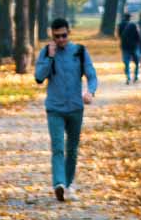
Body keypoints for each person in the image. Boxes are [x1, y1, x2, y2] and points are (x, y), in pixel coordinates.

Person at [34, 17, 97, 202]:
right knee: (58, 148)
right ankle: (59, 184)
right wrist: (50, 58)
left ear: (69, 33)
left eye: (63, 35)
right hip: (55, 108)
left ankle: (68, 185)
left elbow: (92, 75)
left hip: (75, 108)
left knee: (72, 149)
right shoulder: (46, 52)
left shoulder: (79, 51)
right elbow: (38, 77)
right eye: (57, 36)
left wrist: (90, 92)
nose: (61, 40)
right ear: (52, 36)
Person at [117, 11, 141, 83]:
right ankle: (136, 76)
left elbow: (119, 35)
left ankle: (128, 77)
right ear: (129, 18)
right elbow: (138, 36)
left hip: (124, 46)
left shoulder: (121, 25)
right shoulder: (134, 25)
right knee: (137, 62)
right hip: (134, 46)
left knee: (126, 62)